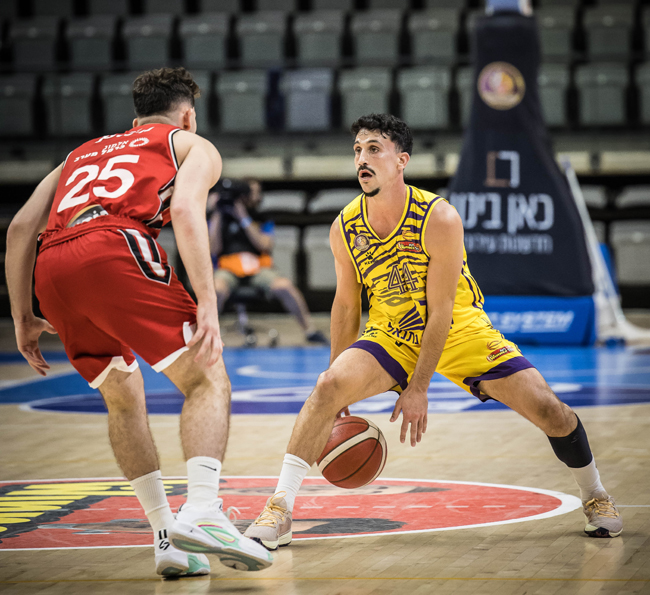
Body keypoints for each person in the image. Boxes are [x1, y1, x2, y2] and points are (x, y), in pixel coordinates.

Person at [243, 113, 622, 550]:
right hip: (391, 333)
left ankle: (595, 494)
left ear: (401, 161)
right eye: (357, 150)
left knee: (549, 409)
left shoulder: (438, 217)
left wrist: (419, 387)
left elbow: (440, 311)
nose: (362, 159)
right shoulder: (344, 227)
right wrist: (339, 394)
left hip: (459, 329)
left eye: (374, 149)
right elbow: (346, 305)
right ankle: (279, 509)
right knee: (327, 386)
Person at [5, 67, 272, 576]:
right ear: (187, 116)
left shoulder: (78, 154)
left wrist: (23, 316)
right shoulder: (191, 144)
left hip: (52, 267)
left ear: (134, 120)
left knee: (122, 398)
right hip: (114, 246)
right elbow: (187, 212)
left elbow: (20, 228)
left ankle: (167, 539)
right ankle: (204, 510)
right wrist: (207, 303)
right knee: (206, 378)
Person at [208, 177, 328, 345]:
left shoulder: (262, 218)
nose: (257, 196)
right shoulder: (220, 217)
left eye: (258, 192)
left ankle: (310, 331)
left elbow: (264, 245)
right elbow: (213, 249)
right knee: (216, 289)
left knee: (285, 286)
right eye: (252, 192)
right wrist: (217, 213)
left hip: (259, 268)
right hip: (227, 268)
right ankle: (208, 335)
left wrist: (243, 218)